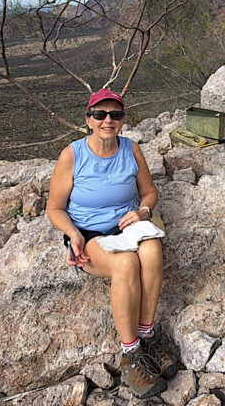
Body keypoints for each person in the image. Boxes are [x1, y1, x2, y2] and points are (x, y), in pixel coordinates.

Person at [46, 88, 175, 399]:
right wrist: (73, 234)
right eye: (100, 114)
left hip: (126, 226)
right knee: (127, 263)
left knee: (152, 250)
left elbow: (150, 192)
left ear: (122, 120)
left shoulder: (131, 149)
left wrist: (142, 211)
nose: (108, 120)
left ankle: (146, 337)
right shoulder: (73, 155)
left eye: (115, 115)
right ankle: (130, 355)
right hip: (90, 234)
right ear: (88, 120)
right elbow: (54, 208)